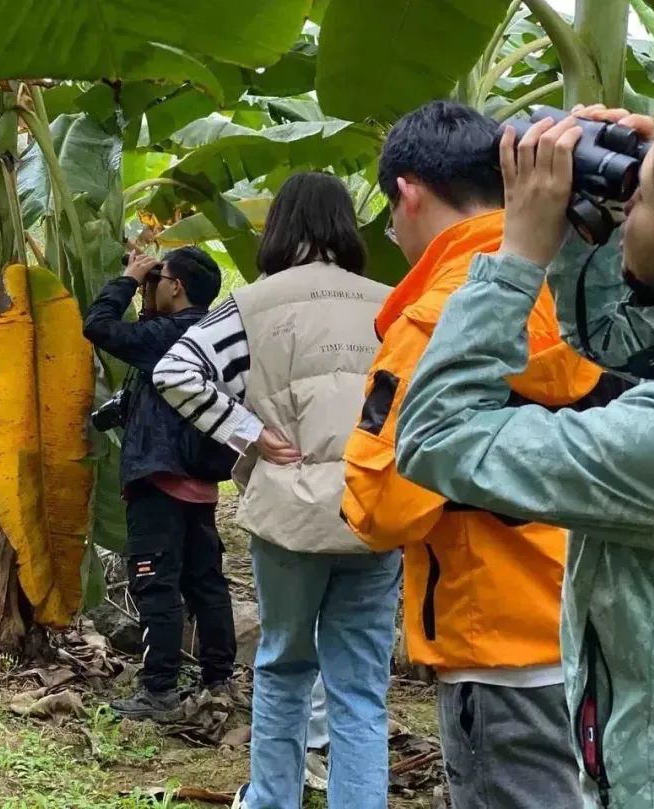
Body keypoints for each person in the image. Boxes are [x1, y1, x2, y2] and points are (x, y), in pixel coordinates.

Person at [395, 79, 654, 808]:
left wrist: (519, 249)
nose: (629, 215)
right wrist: (627, 207)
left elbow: (434, 436)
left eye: (645, 197)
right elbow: (617, 343)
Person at [341, 101, 620, 809]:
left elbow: (379, 509)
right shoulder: (588, 288)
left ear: (408, 191)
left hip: (501, 647)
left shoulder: (437, 315)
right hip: (602, 634)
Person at [154, 171, 402, 809]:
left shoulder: (253, 306)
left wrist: (250, 433)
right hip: (373, 509)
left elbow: (174, 370)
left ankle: (271, 800)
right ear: (346, 227)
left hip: (288, 512)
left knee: (285, 666)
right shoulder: (391, 301)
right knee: (360, 686)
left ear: (281, 227)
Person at [82, 246, 238, 722]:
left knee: (155, 584)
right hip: (201, 481)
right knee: (205, 582)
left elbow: (99, 325)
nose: (154, 283)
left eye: (159, 277)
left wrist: (128, 278)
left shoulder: (169, 335)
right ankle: (218, 679)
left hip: (160, 478)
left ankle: (159, 691)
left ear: (175, 286)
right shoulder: (217, 334)